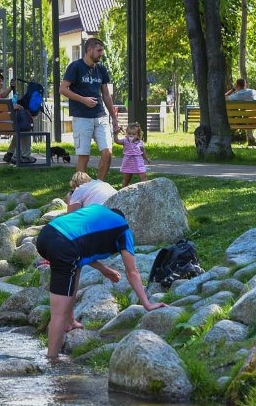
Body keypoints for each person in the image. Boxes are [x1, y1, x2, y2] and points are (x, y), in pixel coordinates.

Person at [36, 205, 166, 360]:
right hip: (64, 245)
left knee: (74, 268)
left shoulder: (97, 212)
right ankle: (52, 360)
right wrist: (147, 304)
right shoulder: (123, 228)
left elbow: (80, 247)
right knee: (58, 313)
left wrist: (104, 269)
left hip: (46, 235)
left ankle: (70, 320)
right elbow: (132, 272)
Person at [60, 37, 120, 181]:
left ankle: (99, 186)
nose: (101, 54)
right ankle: (79, 190)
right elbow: (62, 89)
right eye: (99, 51)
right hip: (81, 117)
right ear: (89, 50)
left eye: (102, 51)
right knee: (84, 156)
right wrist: (83, 100)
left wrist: (114, 118)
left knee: (107, 153)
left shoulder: (101, 69)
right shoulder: (75, 67)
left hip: (100, 116)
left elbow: (106, 94)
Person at [0, 71, 36, 164]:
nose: (1, 83)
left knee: (19, 127)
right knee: (24, 127)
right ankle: (24, 156)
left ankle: (10, 154)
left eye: (2, 81)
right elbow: (2, 105)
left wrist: (11, 88)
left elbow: (2, 96)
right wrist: (15, 107)